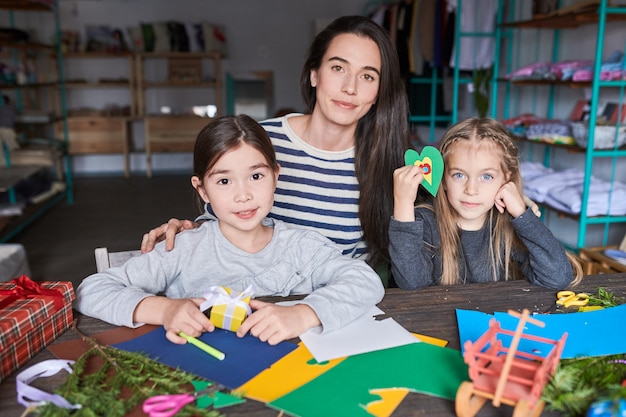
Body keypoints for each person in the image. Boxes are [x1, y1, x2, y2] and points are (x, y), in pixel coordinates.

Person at [140, 15, 411, 286]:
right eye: (338, 68)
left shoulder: (387, 160)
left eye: (367, 76)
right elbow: (222, 219)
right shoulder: (258, 141)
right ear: (314, 74)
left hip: (335, 307)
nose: (350, 88)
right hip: (257, 303)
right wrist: (190, 230)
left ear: (378, 92)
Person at [75, 115, 384, 345]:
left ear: (276, 176)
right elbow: (91, 290)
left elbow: (365, 281)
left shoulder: (301, 246)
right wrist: (165, 310)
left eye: (256, 176)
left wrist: (303, 314)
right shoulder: (183, 250)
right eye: (224, 181)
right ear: (203, 190)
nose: (243, 195)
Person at [389, 117, 583, 290]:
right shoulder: (425, 221)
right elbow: (411, 283)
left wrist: (523, 215)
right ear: (443, 179)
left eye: (487, 176)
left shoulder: (507, 223)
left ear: (507, 179)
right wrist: (403, 204)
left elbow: (557, 278)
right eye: (459, 175)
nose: (471, 190)